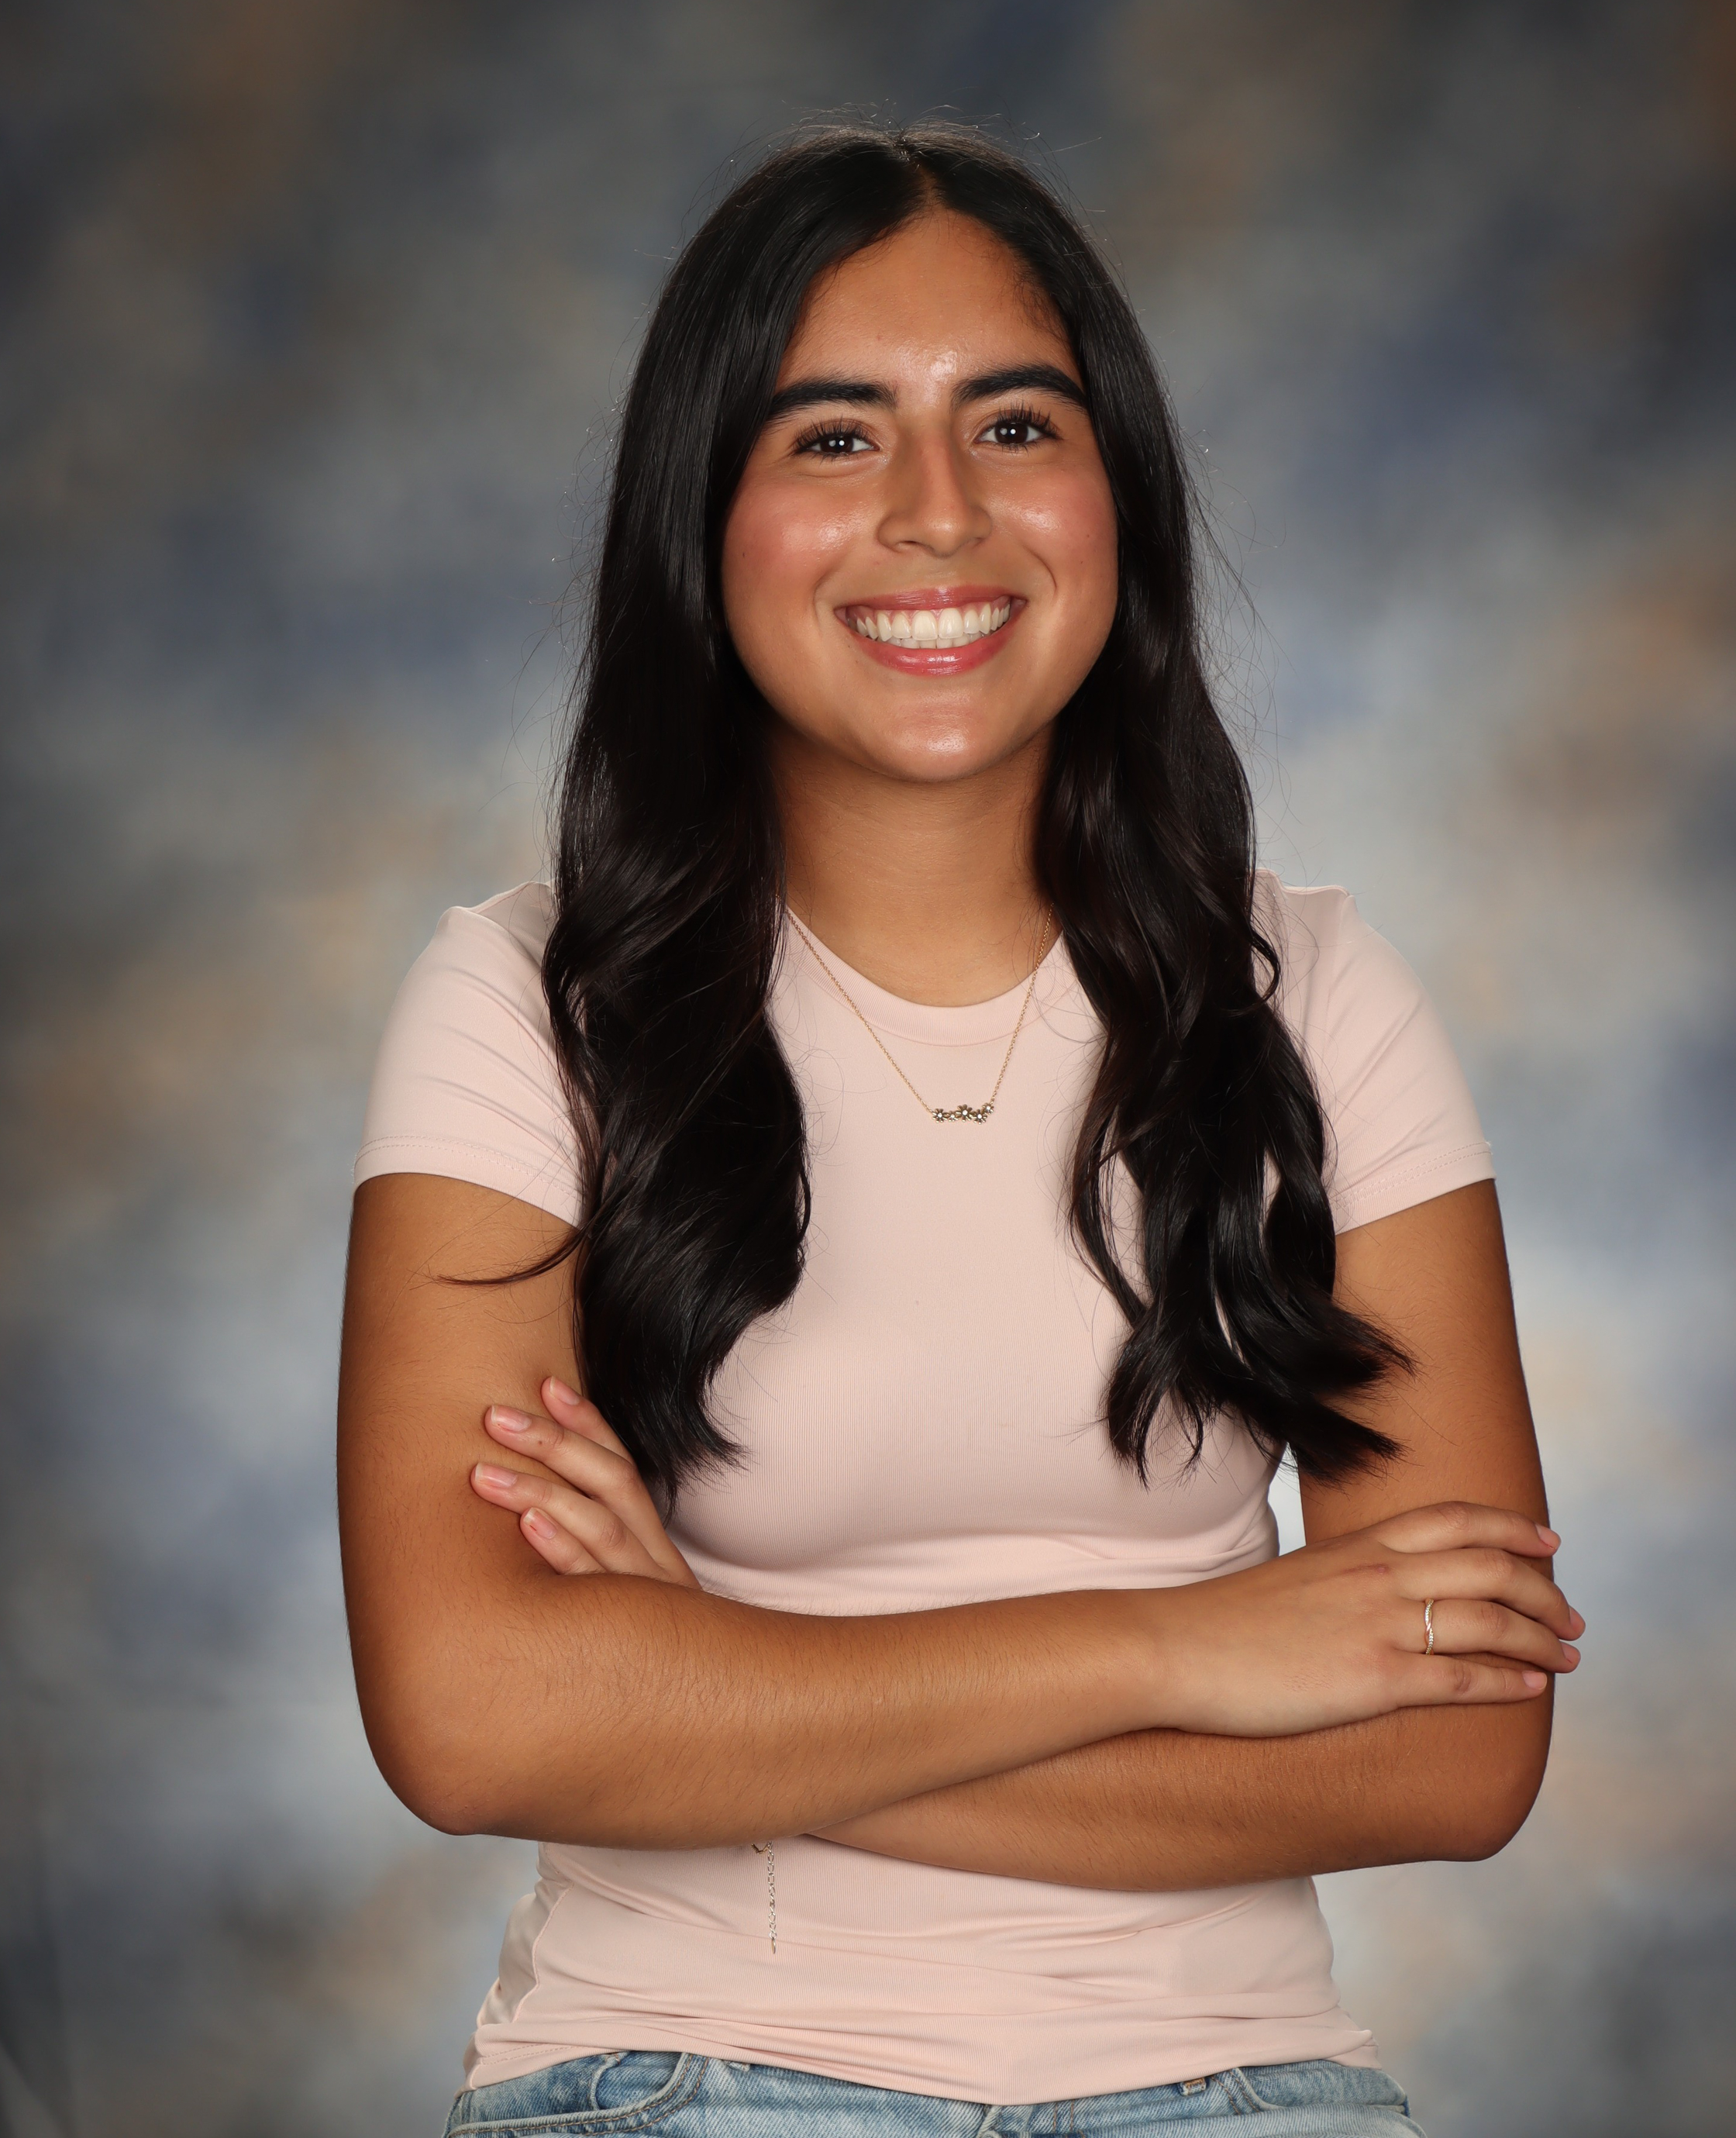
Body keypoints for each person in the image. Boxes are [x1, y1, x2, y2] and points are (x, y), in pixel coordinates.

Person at [336, 123, 1580, 2137]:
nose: (937, 514)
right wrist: (1188, 1647)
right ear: (702, 522)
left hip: (1243, 2089)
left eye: (1013, 426)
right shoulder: (529, 1007)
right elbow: (477, 1723)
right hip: (688, 2079)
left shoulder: (1318, 1000)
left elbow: (1458, 1756)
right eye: (834, 438)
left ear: (1116, 498)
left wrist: (705, 1674)